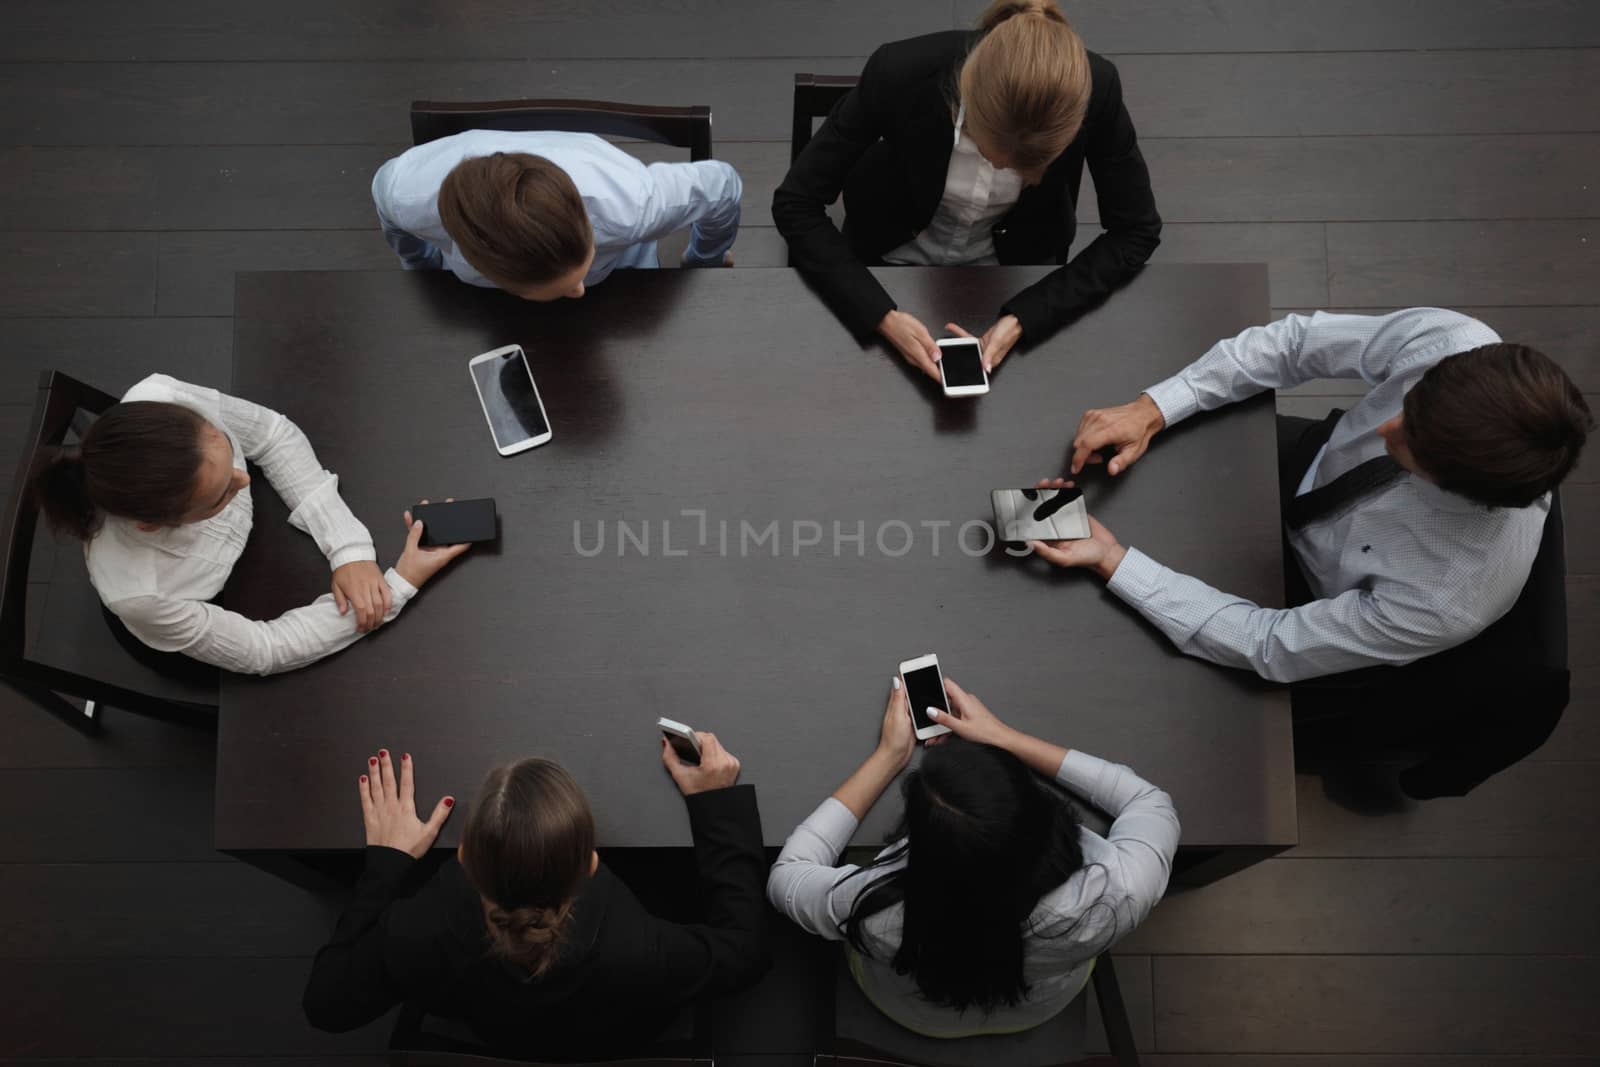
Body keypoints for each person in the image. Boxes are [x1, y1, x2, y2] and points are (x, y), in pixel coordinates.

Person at [1037, 308, 1593, 683]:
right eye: (1410, 404)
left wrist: (1114, 560)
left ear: (1451, 485)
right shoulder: (1458, 343)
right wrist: (1155, 408)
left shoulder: (1446, 599)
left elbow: (1267, 643)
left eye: (1411, 445)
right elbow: (1296, 344)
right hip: (1308, 465)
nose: (1383, 429)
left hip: (1307, 598)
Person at [303, 736, 769, 1058]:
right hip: (626, 1033)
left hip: (494, 1032)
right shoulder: (645, 948)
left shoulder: (413, 931)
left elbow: (325, 1006)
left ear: (464, 857)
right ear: (590, 861)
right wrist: (716, 806)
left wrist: (386, 865)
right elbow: (745, 953)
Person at [772, 0, 1160, 386]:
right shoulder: (900, 70)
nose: (1002, 170)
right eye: (993, 154)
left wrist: (1025, 317)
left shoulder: (1098, 87)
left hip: (1018, 277)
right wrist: (880, 315)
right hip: (880, 264)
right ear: (968, 102)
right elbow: (796, 202)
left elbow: (1136, 232)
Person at [768, 675, 1179, 1037]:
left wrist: (889, 757)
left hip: (913, 1013)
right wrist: (1005, 739)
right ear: (1042, 816)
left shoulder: (874, 910)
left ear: (923, 848)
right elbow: (1147, 800)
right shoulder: (1119, 893)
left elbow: (787, 876)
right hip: (1041, 1008)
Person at [28, 373, 469, 676]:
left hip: (264, 549)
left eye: (226, 453)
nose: (243, 478)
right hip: (207, 612)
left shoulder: (161, 394)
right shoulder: (143, 594)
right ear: (152, 525)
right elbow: (266, 649)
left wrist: (348, 549)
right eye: (221, 495)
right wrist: (398, 586)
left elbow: (273, 437)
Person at [372, 131, 742, 299]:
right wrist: (419, 266)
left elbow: (722, 184)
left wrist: (702, 260)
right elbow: (386, 203)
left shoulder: (632, 204)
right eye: (566, 289)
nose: (580, 292)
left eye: (577, 277)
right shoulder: (406, 195)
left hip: (627, 279)